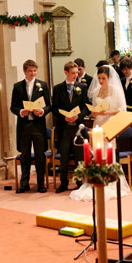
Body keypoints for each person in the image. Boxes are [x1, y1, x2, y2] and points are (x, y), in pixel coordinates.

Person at [70, 65, 130, 201]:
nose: (101, 81)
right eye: (99, 78)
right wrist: (94, 112)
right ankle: (97, 179)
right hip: (98, 123)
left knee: (107, 152)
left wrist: (106, 112)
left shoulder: (115, 90)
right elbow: (93, 109)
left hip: (110, 123)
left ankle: (110, 182)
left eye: (104, 78)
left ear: (109, 78)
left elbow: (122, 109)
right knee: (97, 153)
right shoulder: (96, 91)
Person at [9, 59, 51, 193]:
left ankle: (41, 184)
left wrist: (42, 111)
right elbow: (13, 106)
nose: (32, 73)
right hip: (24, 126)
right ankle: (24, 183)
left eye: (34, 71)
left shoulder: (42, 85)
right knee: (25, 155)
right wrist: (21, 111)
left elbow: (49, 105)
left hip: (38, 126)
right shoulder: (17, 86)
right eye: (30, 71)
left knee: (40, 156)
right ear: (24, 71)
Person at [52, 61, 90, 193]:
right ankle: (63, 182)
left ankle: (80, 182)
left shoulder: (82, 87)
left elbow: (86, 107)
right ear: (66, 72)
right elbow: (54, 108)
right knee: (64, 156)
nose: (76, 75)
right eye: (73, 73)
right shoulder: (57, 88)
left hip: (78, 128)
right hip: (64, 128)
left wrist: (78, 116)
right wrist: (64, 117)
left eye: (77, 72)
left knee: (79, 156)